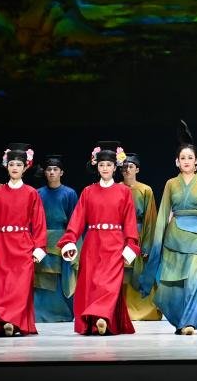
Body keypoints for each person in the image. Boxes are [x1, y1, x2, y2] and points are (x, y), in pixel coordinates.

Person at [139, 120, 197, 335]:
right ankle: (181, 320)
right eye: (182, 158)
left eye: (190, 158)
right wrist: (157, 244)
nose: (186, 161)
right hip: (173, 238)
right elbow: (163, 215)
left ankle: (189, 322)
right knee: (172, 283)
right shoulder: (170, 184)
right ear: (176, 162)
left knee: (194, 280)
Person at [58, 141, 140, 336]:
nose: (105, 168)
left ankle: (102, 317)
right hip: (93, 244)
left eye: (109, 165)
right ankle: (96, 320)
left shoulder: (123, 192)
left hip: (114, 244)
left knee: (109, 284)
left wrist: (130, 245)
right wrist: (69, 240)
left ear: (115, 167)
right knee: (93, 284)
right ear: (97, 166)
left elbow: (130, 221)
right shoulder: (88, 192)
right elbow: (77, 220)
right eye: (101, 165)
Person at [0, 143, 47, 336]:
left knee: (20, 287)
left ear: (25, 167)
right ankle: (2, 321)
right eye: (12, 164)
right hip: (1, 246)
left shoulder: (31, 193)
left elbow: (39, 224)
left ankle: (13, 322)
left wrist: (39, 248)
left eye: (19, 164)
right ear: (6, 166)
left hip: (22, 245)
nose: (15, 167)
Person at [35, 154, 79, 322]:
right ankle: (40, 313)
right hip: (42, 238)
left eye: (55, 169)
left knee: (62, 275)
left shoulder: (69, 194)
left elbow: (74, 219)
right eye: (49, 169)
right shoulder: (38, 194)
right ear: (45, 172)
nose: (52, 172)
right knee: (41, 275)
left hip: (62, 240)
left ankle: (63, 313)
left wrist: (71, 242)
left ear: (61, 172)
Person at [121, 152, 162, 321]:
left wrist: (146, 245)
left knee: (140, 271)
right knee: (122, 272)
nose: (127, 170)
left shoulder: (145, 190)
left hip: (139, 232)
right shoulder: (116, 189)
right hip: (120, 233)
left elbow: (150, 219)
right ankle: (122, 310)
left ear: (137, 169)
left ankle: (145, 310)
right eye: (124, 167)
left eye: (131, 166)